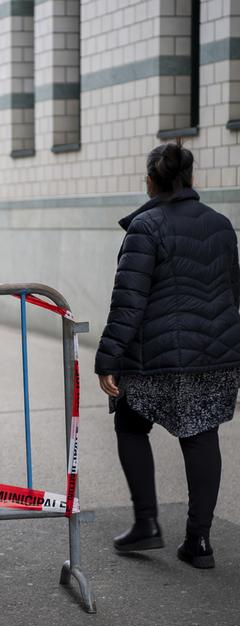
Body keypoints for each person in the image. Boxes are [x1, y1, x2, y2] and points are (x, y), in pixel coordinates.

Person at [95, 142, 240, 569]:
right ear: (190, 179)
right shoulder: (221, 224)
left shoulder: (147, 226)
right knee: (201, 434)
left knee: (129, 421)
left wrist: (108, 358)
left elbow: (128, 301)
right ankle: (199, 542)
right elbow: (234, 289)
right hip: (214, 355)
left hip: (158, 356)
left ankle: (147, 524)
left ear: (151, 180)